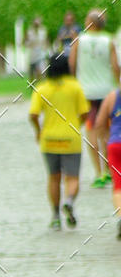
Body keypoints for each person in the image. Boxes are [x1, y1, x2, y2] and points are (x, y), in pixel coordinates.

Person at [29, 54, 89, 230]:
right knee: (72, 178)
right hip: (71, 139)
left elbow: (33, 115)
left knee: (53, 178)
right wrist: (77, 125)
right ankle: (69, 201)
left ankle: (55, 216)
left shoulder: (42, 89)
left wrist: (39, 131)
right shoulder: (75, 87)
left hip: (49, 140)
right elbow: (85, 113)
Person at [70, 9, 120, 186]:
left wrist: (74, 85)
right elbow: (115, 67)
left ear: (89, 23)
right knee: (106, 132)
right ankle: (109, 170)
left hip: (87, 93)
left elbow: (72, 65)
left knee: (91, 131)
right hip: (106, 92)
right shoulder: (109, 41)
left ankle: (98, 173)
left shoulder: (79, 41)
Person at [95, 89, 121, 238]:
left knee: (118, 185)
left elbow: (99, 123)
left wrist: (106, 138)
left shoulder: (112, 96)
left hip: (116, 143)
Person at [25, 17, 49, 82]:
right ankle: (33, 85)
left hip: (41, 54)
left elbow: (46, 41)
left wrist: (46, 50)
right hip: (32, 54)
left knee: (41, 70)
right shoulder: (30, 31)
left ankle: (41, 83)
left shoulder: (43, 30)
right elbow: (26, 42)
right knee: (32, 72)